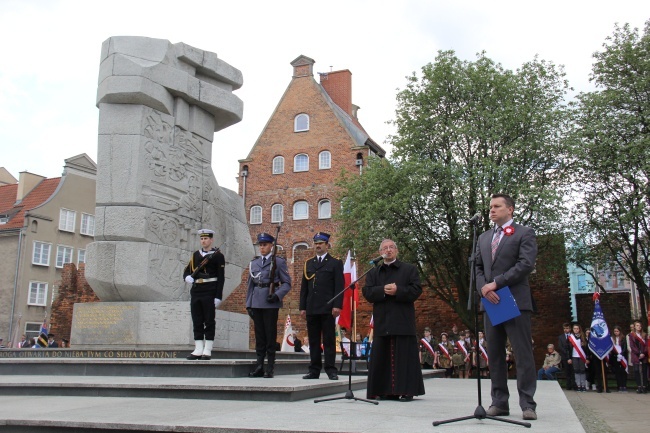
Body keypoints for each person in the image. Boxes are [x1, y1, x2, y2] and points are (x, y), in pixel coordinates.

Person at [476, 193, 538, 421]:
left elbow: (526, 264)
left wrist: (497, 283)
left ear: (510, 209)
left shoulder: (524, 233)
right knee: (494, 355)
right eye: (490, 207)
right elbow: (478, 267)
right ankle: (499, 402)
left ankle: (527, 404)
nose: (491, 210)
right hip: (491, 301)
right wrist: (484, 287)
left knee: (522, 353)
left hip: (515, 300)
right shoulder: (483, 238)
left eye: (497, 206)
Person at [362, 238, 425, 402]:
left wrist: (399, 290)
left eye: (391, 247)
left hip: (402, 320)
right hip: (383, 321)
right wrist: (382, 290)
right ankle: (383, 390)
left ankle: (406, 390)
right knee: (382, 357)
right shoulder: (373, 273)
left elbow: (416, 290)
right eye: (384, 248)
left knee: (403, 357)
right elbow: (367, 292)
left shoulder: (409, 269)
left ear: (396, 251)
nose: (388, 250)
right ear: (380, 253)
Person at [245, 232, 291, 378]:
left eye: (265, 245)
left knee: (270, 335)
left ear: (271, 246)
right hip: (257, 302)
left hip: (270, 302)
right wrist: (248, 304)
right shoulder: (254, 263)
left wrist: (277, 294)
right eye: (261, 245)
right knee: (259, 336)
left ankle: (270, 366)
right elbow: (250, 285)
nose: (262, 247)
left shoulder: (278, 262)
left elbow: (287, 283)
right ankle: (259, 365)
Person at [300, 232, 344, 380]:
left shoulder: (335, 263)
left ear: (327, 245)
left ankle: (331, 369)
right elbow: (304, 288)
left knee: (329, 340)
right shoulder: (309, 263)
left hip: (327, 307)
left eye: (321, 243)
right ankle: (314, 370)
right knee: (313, 340)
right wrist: (302, 307)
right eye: (316, 243)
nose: (318, 246)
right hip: (312, 307)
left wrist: (337, 305)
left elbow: (339, 286)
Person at [183, 228, 225, 360]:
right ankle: (198, 348)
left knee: (209, 320)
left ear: (211, 240)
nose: (203, 241)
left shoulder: (218, 256)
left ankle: (208, 349)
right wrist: (187, 277)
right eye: (201, 239)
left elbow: (221, 277)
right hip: (196, 290)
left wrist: (218, 296)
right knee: (197, 320)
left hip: (210, 290)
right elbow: (187, 270)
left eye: (206, 239)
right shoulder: (195, 255)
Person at [567, 323, 589, 392]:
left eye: (577, 328)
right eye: (574, 329)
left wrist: (587, 358)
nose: (576, 330)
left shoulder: (583, 337)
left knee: (582, 371)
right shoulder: (570, 337)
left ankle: (583, 385)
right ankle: (578, 385)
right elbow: (568, 348)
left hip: (582, 356)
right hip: (574, 356)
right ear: (573, 329)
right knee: (576, 371)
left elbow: (587, 348)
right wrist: (569, 358)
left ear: (579, 329)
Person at [629, 319, 648, 394]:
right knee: (636, 370)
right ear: (634, 327)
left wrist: (643, 353)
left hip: (644, 355)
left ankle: (644, 386)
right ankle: (639, 386)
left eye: (640, 325)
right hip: (636, 355)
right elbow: (632, 346)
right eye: (637, 325)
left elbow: (647, 345)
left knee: (644, 371)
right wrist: (638, 353)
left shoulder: (645, 335)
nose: (639, 327)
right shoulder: (631, 335)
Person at [558, 322, 576, 390]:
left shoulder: (572, 336)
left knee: (573, 371)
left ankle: (574, 384)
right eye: (564, 328)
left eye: (567, 328)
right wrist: (566, 353)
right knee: (567, 371)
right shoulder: (561, 337)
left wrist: (570, 355)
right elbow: (560, 346)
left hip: (573, 356)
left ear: (570, 329)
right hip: (565, 357)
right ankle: (568, 385)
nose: (566, 330)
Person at [610, 325, 628, 392]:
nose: (616, 332)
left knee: (623, 371)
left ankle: (624, 385)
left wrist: (621, 354)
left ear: (620, 331)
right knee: (617, 372)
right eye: (615, 331)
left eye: (617, 331)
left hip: (622, 357)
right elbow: (612, 348)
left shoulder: (623, 338)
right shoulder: (612, 338)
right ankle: (619, 386)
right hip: (615, 357)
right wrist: (616, 354)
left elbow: (625, 347)